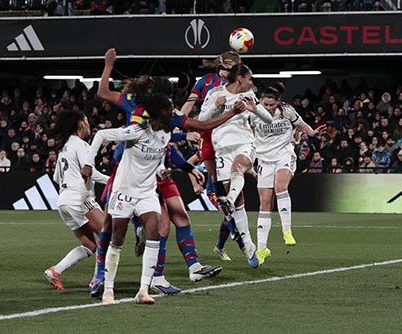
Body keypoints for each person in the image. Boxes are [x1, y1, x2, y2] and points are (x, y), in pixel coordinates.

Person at [90, 49, 238, 298]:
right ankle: (101, 275)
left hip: (159, 172)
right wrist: (108, 65)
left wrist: (189, 166)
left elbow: (194, 129)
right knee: (111, 223)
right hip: (128, 171)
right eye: (168, 99)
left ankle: (175, 271)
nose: (171, 105)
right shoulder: (136, 104)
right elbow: (103, 94)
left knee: (174, 219)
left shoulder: (170, 116)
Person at [82, 93, 175, 305]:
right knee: (118, 238)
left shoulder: (166, 134)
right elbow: (101, 135)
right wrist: (89, 163)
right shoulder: (137, 131)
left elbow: (159, 161)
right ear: (161, 111)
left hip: (147, 192)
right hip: (124, 191)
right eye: (170, 108)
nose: (173, 112)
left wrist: (161, 171)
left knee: (154, 233)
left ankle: (143, 291)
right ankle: (108, 291)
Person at [200, 63, 275, 268]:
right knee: (239, 200)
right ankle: (249, 246)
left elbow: (268, 118)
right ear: (240, 78)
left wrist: (254, 109)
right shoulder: (215, 94)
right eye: (249, 78)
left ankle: (229, 199)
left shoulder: (249, 95)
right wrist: (216, 106)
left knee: (238, 168)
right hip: (222, 148)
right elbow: (202, 119)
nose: (251, 82)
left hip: (244, 143)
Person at [180, 51, 243, 261]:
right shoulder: (206, 82)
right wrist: (177, 122)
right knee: (225, 199)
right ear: (220, 67)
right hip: (209, 135)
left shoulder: (239, 85)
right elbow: (189, 104)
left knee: (233, 198)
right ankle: (240, 241)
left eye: (231, 70)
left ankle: (224, 243)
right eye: (225, 68)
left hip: (229, 138)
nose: (227, 73)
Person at [253, 84, 326, 265]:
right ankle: (261, 249)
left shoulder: (287, 111)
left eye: (271, 105)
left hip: (283, 153)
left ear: (278, 102)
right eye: (265, 104)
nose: (268, 108)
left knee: (280, 186)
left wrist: (312, 132)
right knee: (265, 203)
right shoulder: (253, 112)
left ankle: (287, 231)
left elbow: (302, 125)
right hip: (264, 159)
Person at [45, 110, 109, 291]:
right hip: (80, 199)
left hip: (63, 201)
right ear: (81, 123)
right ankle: (98, 279)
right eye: (87, 120)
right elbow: (90, 172)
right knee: (109, 235)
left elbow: (56, 178)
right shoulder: (81, 145)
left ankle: (56, 271)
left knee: (90, 244)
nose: (89, 124)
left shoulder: (64, 148)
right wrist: (113, 181)